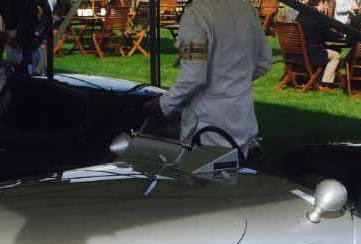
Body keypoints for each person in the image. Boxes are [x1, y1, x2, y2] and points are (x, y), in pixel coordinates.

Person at [145, 0, 272, 152]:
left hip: (206, 126)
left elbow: (194, 77)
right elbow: (264, 62)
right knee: (235, 173)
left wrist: (163, 103)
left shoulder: (196, 13)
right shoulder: (248, 9)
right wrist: (234, 80)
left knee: (198, 174)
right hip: (242, 120)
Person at [0, 0, 44, 73]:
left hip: (34, 38)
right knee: (19, 75)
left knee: (36, 76)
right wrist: (9, 40)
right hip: (15, 41)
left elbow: (47, 12)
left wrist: (38, 30)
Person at [297, 0, 344, 87]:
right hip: (312, 54)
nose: (326, 7)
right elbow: (331, 37)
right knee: (336, 55)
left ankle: (318, 77)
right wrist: (339, 33)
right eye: (326, 4)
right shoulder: (318, 16)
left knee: (332, 49)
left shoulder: (301, 14)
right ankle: (325, 84)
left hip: (298, 53)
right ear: (321, 3)